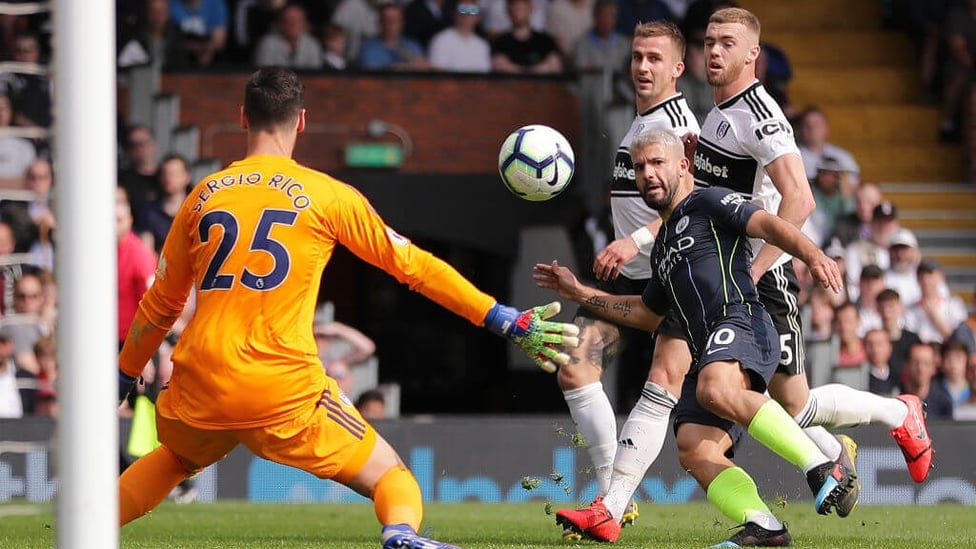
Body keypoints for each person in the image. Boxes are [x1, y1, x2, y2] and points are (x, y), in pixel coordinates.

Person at [115, 66, 579, 549]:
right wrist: (499, 315)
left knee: (172, 460)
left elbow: (160, 303)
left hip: (202, 381)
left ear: (241, 118)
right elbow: (413, 267)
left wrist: (125, 373)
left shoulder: (201, 196)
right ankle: (400, 534)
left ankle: (82, 530)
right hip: (282, 389)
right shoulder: (327, 195)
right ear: (301, 122)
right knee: (392, 478)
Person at [556, 8, 934, 543]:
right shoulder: (716, 114)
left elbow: (798, 198)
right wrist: (627, 259)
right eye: (710, 41)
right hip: (710, 279)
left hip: (753, 284)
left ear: (752, 53)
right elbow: (686, 205)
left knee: (767, 400)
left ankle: (883, 422)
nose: (715, 51)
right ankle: (766, 508)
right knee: (709, 431)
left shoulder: (757, 113)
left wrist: (751, 272)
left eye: (727, 43)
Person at [537, 128, 855, 547]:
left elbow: (767, 224)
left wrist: (812, 255)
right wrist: (580, 294)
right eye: (638, 167)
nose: (647, 173)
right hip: (712, 348)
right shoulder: (664, 246)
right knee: (694, 448)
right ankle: (764, 526)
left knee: (714, 388)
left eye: (657, 163)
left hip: (743, 321)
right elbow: (646, 314)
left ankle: (823, 464)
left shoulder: (707, 201)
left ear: (683, 166)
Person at [548, 21, 700, 541]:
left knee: (772, 400)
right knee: (574, 369)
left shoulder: (678, 122)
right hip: (625, 281)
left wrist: (633, 241)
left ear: (677, 68)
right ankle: (616, 498)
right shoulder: (640, 121)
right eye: (637, 56)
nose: (642, 66)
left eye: (655, 58)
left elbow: (691, 200)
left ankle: (830, 450)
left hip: (669, 282)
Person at [136, 153, 192, 255]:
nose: (168, 178)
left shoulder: (195, 209)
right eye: (165, 173)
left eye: (174, 174)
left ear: (187, 177)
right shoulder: (148, 211)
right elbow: (146, 249)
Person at [490, 0, 562, 74]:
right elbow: (499, 66)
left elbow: (555, 66)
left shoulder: (546, 41)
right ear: (508, 11)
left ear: (531, 9)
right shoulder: (500, 43)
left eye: (522, 8)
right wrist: (541, 68)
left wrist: (513, 68)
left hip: (542, 85)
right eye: (515, 8)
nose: (518, 13)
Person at [358, 2, 431, 71]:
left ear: (402, 23)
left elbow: (424, 68)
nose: (391, 24)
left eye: (395, 20)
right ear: (380, 22)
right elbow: (371, 75)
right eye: (387, 20)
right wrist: (407, 67)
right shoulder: (369, 48)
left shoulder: (413, 45)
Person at [252, 3, 323, 69]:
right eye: (288, 20)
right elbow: (263, 76)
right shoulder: (267, 44)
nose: (293, 24)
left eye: (297, 20)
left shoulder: (312, 44)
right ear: (280, 23)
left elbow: (316, 77)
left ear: (304, 23)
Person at [428, 0, 491, 73]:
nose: (467, 15)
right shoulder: (441, 40)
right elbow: (438, 74)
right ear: (454, 14)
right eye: (462, 10)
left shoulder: (483, 45)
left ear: (478, 17)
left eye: (473, 11)